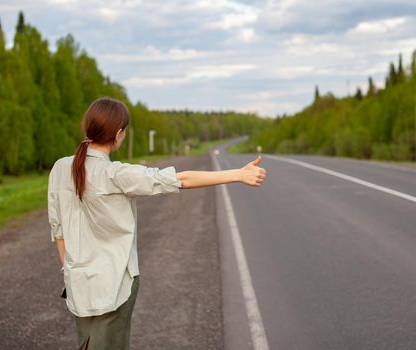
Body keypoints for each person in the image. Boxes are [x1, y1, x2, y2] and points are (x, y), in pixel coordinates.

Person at [47, 96, 266, 350]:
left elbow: (58, 229)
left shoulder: (60, 168)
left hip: (78, 283)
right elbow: (180, 179)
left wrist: (70, 271)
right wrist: (238, 174)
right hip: (115, 286)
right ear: (118, 134)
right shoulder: (117, 174)